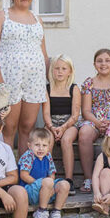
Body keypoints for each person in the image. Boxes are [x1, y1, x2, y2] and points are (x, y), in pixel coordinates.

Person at [0, 0, 49, 154]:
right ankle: (7, 171)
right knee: (8, 126)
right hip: (8, 76)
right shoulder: (1, 16)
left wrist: (49, 78)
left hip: (34, 79)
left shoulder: (37, 19)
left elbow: (43, 52)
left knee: (27, 126)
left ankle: (23, 171)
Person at [77, 49, 110, 193]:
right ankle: (88, 178)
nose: (103, 64)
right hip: (94, 120)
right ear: (94, 64)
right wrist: (99, 123)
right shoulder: (89, 83)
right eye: (99, 61)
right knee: (84, 133)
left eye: (107, 61)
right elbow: (86, 110)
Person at [19, 127, 69, 218]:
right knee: (47, 181)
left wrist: (49, 186)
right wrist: (41, 184)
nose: (40, 148)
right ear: (29, 145)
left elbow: (52, 174)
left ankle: (56, 212)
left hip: (46, 191)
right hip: (30, 190)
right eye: (37, 145)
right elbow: (23, 175)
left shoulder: (48, 156)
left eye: (44, 145)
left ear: (48, 147)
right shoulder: (29, 156)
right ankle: (41, 212)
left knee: (65, 185)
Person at [43, 54, 81, 183]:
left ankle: (69, 178)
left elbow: (75, 115)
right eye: (57, 68)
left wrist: (64, 127)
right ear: (51, 70)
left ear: (70, 71)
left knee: (66, 140)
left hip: (69, 123)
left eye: (64, 69)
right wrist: (52, 127)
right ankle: (46, 177)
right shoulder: (47, 89)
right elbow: (46, 113)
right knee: (47, 140)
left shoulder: (73, 88)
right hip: (51, 123)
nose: (60, 72)